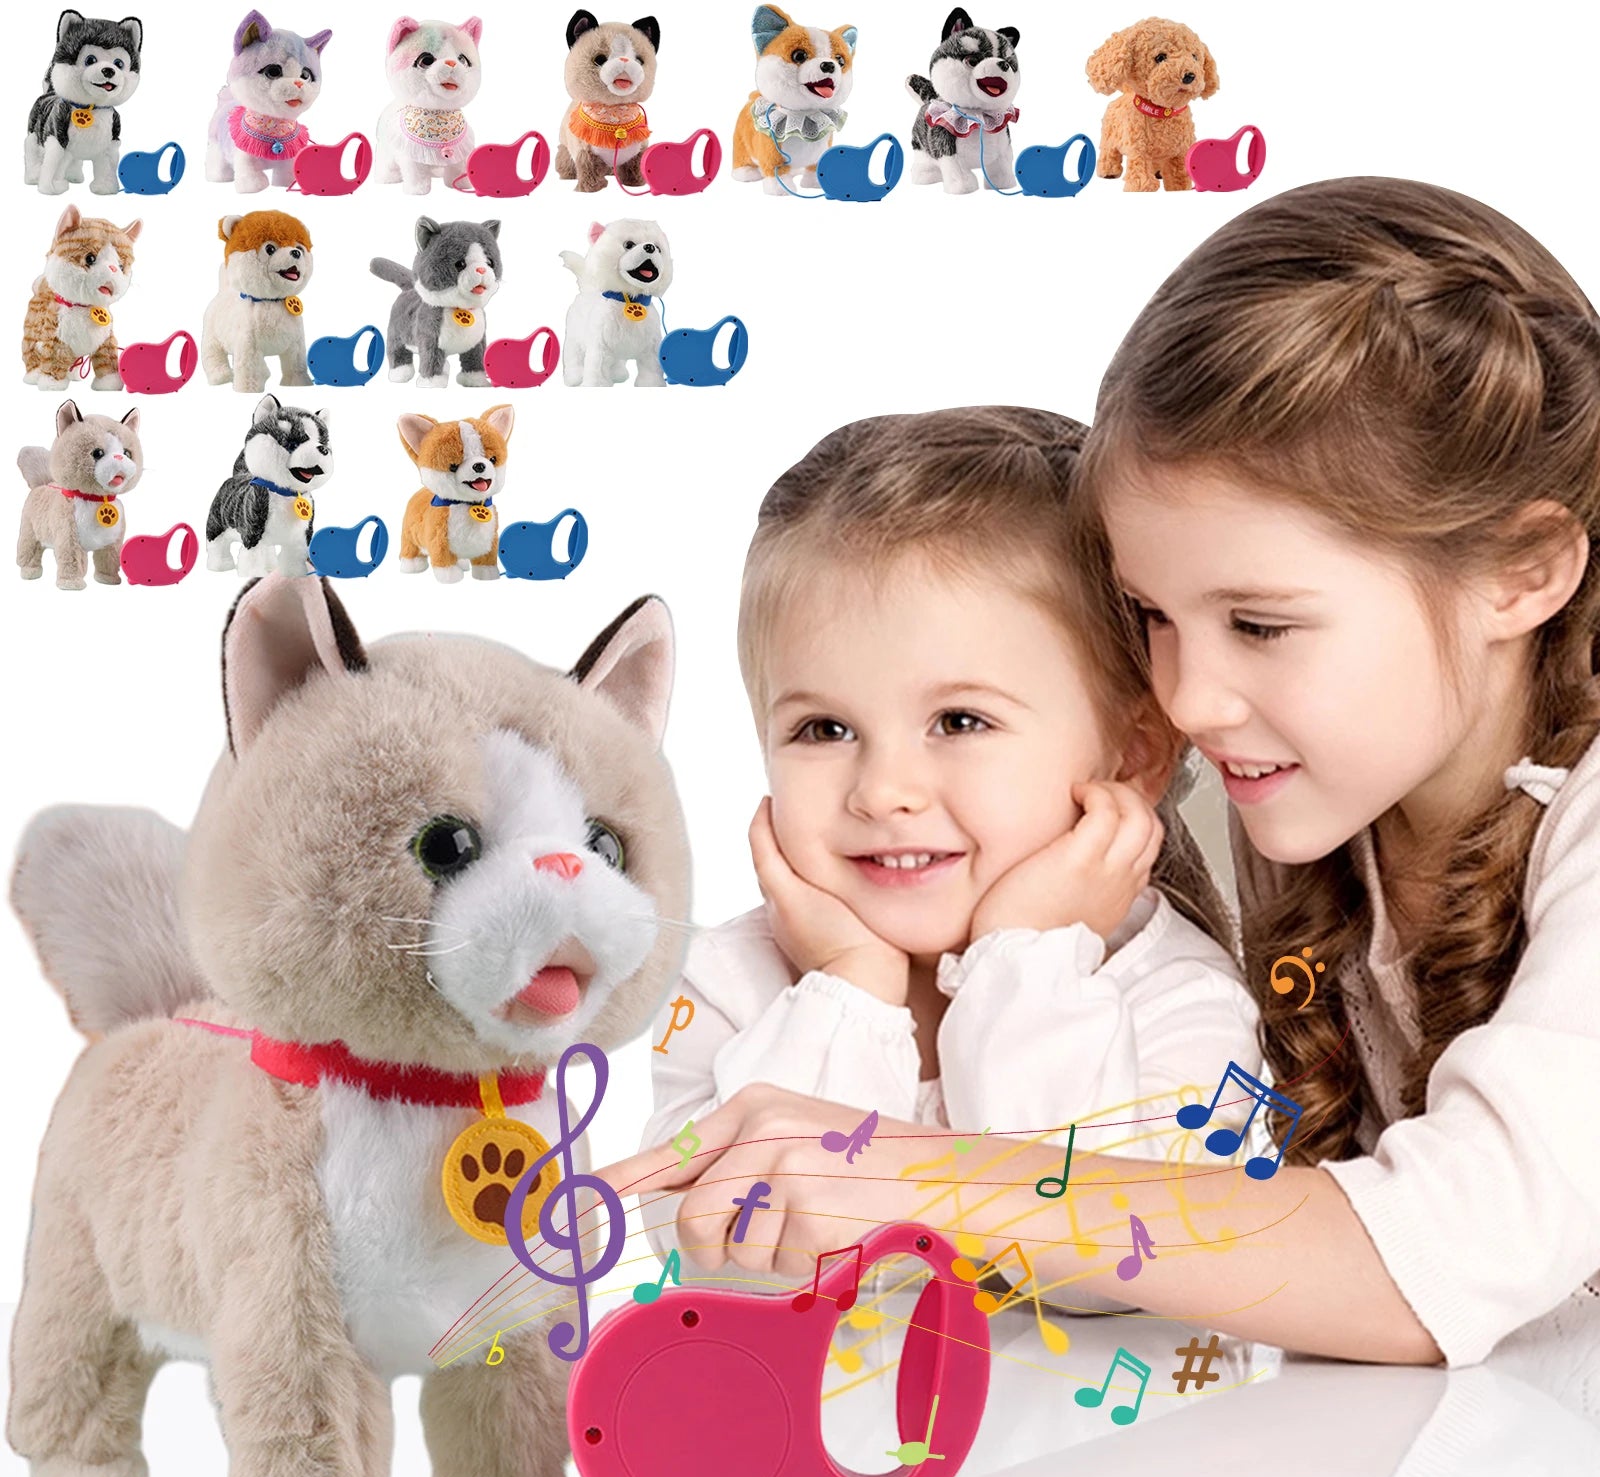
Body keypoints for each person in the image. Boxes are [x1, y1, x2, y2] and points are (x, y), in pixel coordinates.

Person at [602, 178, 1600, 1368]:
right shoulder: (1282, 788)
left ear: (1520, 571)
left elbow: (1444, 1250)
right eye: (1151, 616)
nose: (1185, 699)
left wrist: (905, 1174)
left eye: (1261, 624)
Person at [631, 405, 1260, 1283]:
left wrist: (1025, 959)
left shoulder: (1176, 995)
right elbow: (732, 1261)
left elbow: (1105, 1269)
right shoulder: (730, 986)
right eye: (823, 729)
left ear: (1133, 755)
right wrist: (849, 989)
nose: (883, 790)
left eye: (959, 721)